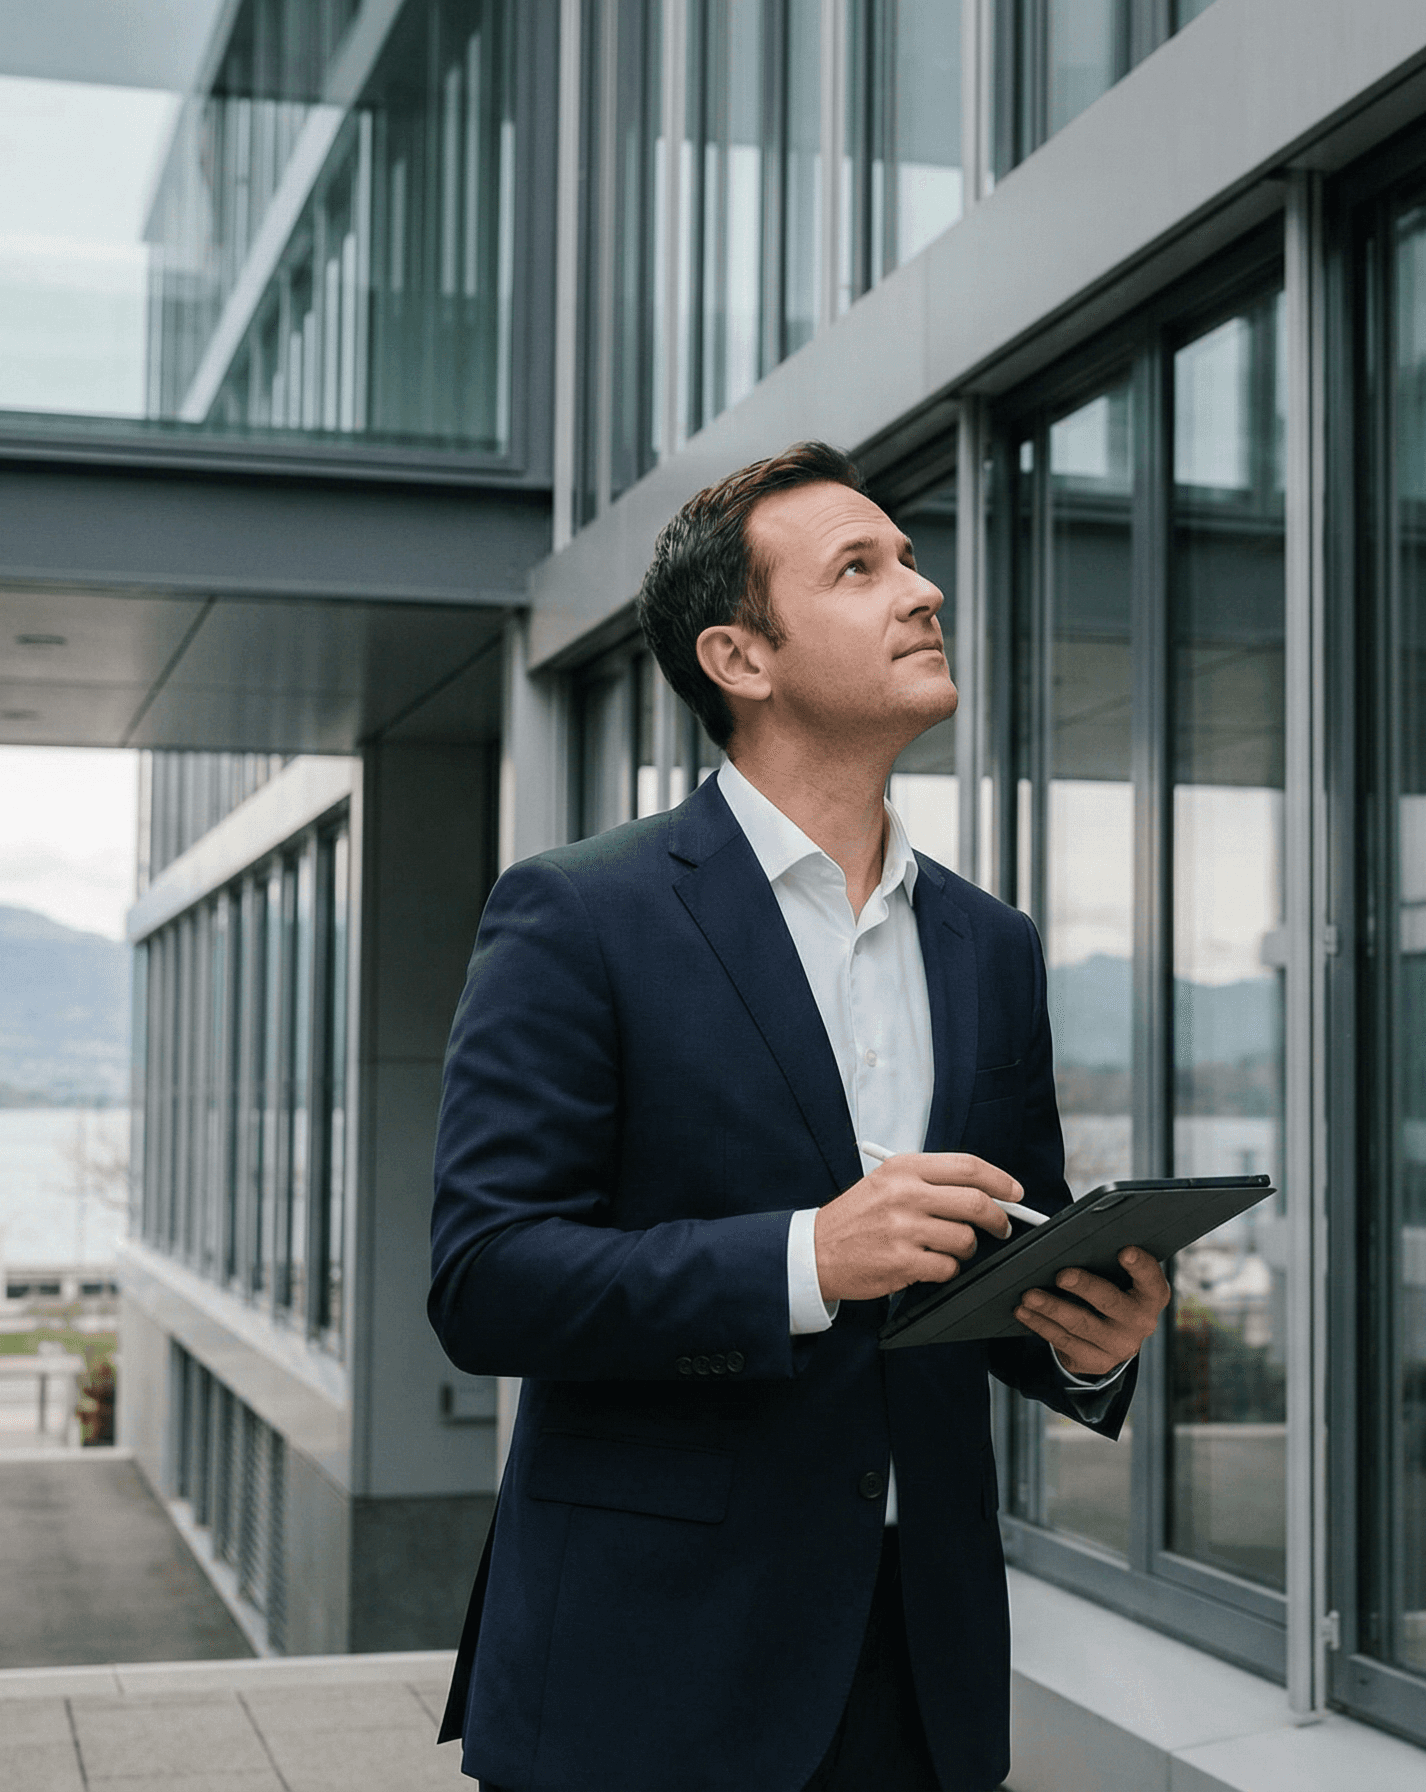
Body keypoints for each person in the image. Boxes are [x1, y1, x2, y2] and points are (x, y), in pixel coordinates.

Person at [428, 440, 1171, 1792]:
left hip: (920, 1660)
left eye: (909, 557)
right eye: (859, 568)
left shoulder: (988, 944)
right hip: (649, 1667)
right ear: (740, 657)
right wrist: (805, 1259)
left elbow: (990, 1262)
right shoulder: (579, 915)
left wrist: (1084, 1340)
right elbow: (486, 1284)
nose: (923, 588)